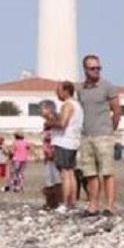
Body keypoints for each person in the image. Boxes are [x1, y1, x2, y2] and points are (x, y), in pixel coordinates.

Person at [78, 54, 121, 216]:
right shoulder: (80, 89)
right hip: (86, 135)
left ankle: (110, 205)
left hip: (103, 134)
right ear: (85, 69)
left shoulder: (108, 87)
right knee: (90, 173)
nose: (96, 71)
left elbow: (116, 111)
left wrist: (110, 129)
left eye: (98, 68)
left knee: (107, 172)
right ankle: (93, 204)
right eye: (92, 68)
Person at [50, 80, 84, 213]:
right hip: (73, 141)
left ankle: (65, 204)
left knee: (65, 174)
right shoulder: (77, 105)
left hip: (64, 141)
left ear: (66, 91)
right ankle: (72, 204)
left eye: (58, 90)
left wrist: (50, 122)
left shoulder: (67, 105)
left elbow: (63, 123)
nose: (57, 93)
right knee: (71, 173)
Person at [39, 100, 63, 210]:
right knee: (49, 178)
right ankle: (50, 202)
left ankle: (57, 201)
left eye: (42, 109)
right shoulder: (48, 123)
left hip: (54, 153)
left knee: (56, 179)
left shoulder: (53, 122)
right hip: (48, 154)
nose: (40, 111)